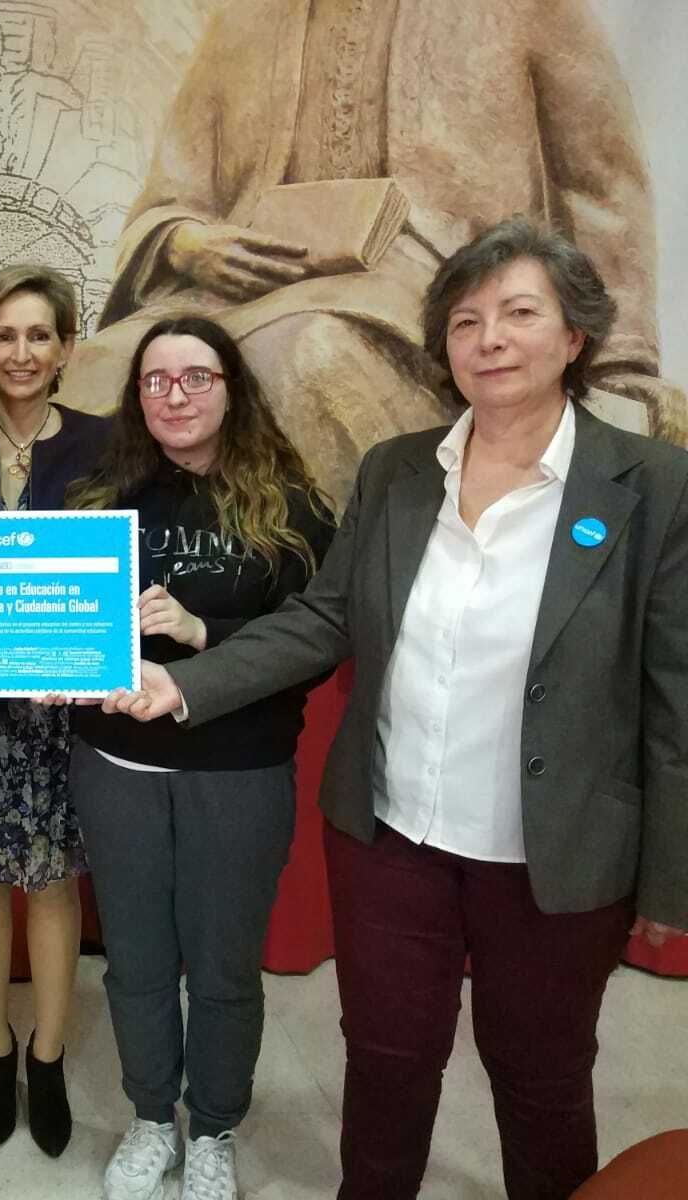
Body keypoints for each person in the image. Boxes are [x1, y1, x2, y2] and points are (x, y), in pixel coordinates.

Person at [105, 219, 688, 1199]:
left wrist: (670, 886)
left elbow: (674, 702)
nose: (489, 339)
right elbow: (323, 618)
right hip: (391, 840)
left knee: (543, 1083)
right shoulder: (398, 469)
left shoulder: (652, 487)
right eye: (465, 320)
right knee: (383, 1068)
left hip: (555, 854)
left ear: (574, 338)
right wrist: (182, 683)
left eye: (517, 314)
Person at [66, 0, 684, 506]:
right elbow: (175, 193)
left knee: (309, 352)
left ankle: (356, 593)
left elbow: (600, 181)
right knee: (90, 373)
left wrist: (620, 363)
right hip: (235, 288)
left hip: (428, 288)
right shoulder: (247, 18)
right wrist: (184, 241)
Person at [65, 315, 334, 1200]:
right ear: (135, 397)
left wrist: (200, 630)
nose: (173, 396)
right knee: (137, 961)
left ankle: (213, 1127)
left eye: (195, 378)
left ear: (231, 388)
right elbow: (52, 618)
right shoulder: (98, 498)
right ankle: (152, 1118)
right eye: (154, 381)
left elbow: (317, 640)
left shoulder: (292, 506)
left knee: (222, 967)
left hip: (239, 770)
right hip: (118, 766)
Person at [0, 264, 109, 1156]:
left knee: (51, 875)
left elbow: (124, 564)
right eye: (3, 336)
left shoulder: (105, 443)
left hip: (62, 710)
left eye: (38, 335)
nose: (21, 352)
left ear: (65, 349)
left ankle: (48, 1054)